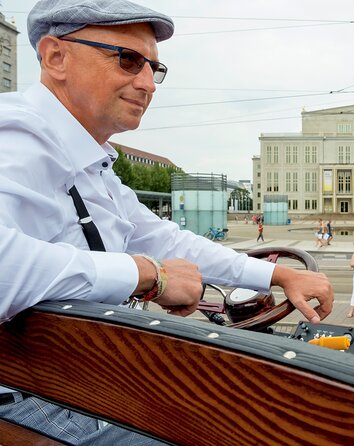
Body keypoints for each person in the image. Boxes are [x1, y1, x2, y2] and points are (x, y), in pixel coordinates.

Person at [0, 1, 334, 444]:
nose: (146, 83)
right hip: (34, 404)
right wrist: (148, 277)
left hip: (67, 381)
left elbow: (161, 236)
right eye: (128, 60)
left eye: (153, 68)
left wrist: (276, 273)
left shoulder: (89, 159)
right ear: (56, 57)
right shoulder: (17, 132)